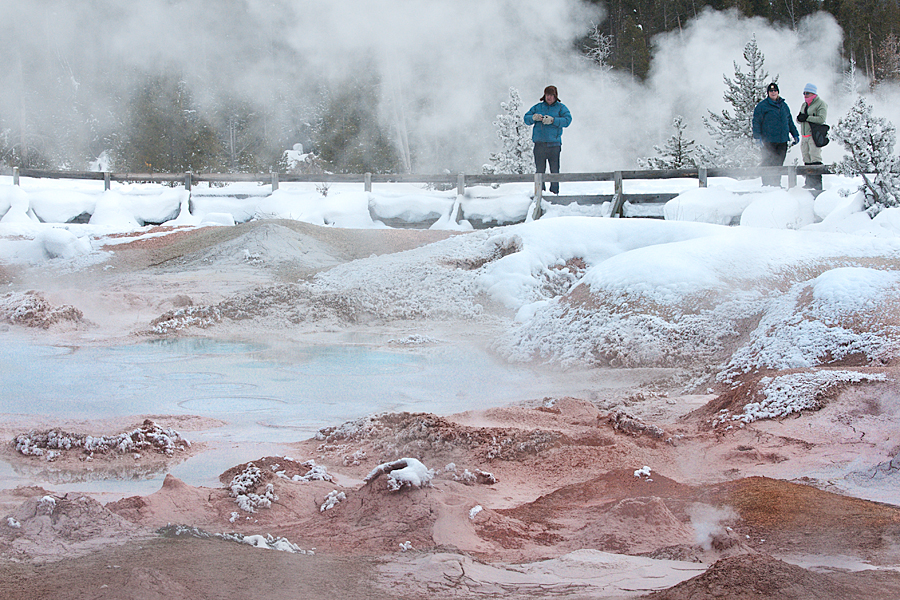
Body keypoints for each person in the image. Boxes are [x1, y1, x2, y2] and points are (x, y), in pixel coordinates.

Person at [524, 85, 572, 194]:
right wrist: (533, 118)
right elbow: (526, 119)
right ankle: (540, 193)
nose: (549, 97)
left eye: (551, 95)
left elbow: (567, 120)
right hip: (539, 144)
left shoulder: (561, 108)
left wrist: (553, 120)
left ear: (555, 96)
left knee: (554, 170)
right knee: (540, 170)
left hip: (554, 144)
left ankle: (554, 193)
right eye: (547, 95)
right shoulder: (538, 107)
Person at [752, 82, 799, 187]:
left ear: (778, 92)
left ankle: (776, 184)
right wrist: (757, 137)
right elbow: (756, 122)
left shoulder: (784, 106)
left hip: (782, 140)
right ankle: (767, 185)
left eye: (775, 91)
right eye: (771, 91)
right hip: (768, 141)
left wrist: (795, 134)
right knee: (768, 163)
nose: (773, 93)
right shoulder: (762, 106)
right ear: (768, 93)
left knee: (779, 164)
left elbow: (789, 121)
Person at [796, 83, 828, 190]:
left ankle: (817, 184)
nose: (805, 95)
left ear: (813, 93)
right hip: (804, 135)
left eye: (807, 93)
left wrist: (807, 118)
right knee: (806, 158)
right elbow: (800, 118)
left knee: (815, 157)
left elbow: (821, 119)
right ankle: (809, 182)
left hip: (814, 135)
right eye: (804, 93)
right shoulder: (804, 105)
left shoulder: (821, 104)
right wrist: (800, 119)